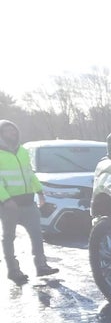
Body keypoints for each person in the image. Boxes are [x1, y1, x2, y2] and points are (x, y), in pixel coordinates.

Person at [0, 120, 59, 285]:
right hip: (8, 205)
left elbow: (30, 173)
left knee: (37, 234)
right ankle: (13, 270)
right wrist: (6, 199)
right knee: (9, 237)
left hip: (28, 202)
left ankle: (41, 266)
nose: (12, 133)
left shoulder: (23, 151)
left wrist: (40, 192)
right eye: (8, 130)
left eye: (14, 130)